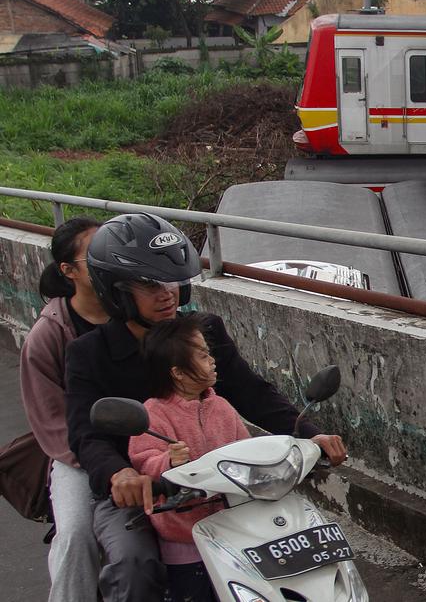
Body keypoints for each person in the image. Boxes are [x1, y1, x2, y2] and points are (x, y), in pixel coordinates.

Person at [64, 213, 347, 602]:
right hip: (145, 491)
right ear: (115, 291)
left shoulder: (202, 331)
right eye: (149, 284)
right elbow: (87, 434)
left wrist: (311, 435)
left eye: (171, 281)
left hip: (223, 485)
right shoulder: (89, 354)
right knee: (134, 566)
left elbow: (251, 393)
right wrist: (120, 474)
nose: (166, 294)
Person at [130, 314, 249, 602]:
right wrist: (168, 462)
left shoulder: (221, 406)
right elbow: (143, 460)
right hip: (185, 537)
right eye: (203, 355)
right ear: (178, 373)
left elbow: (247, 448)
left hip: (232, 527)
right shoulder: (153, 414)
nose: (212, 361)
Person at [18, 216, 106, 602]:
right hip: (77, 454)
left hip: (147, 443)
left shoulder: (135, 310)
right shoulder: (48, 335)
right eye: (95, 255)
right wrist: (101, 460)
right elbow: (51, 422)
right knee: (76, 533)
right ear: (69, 271)